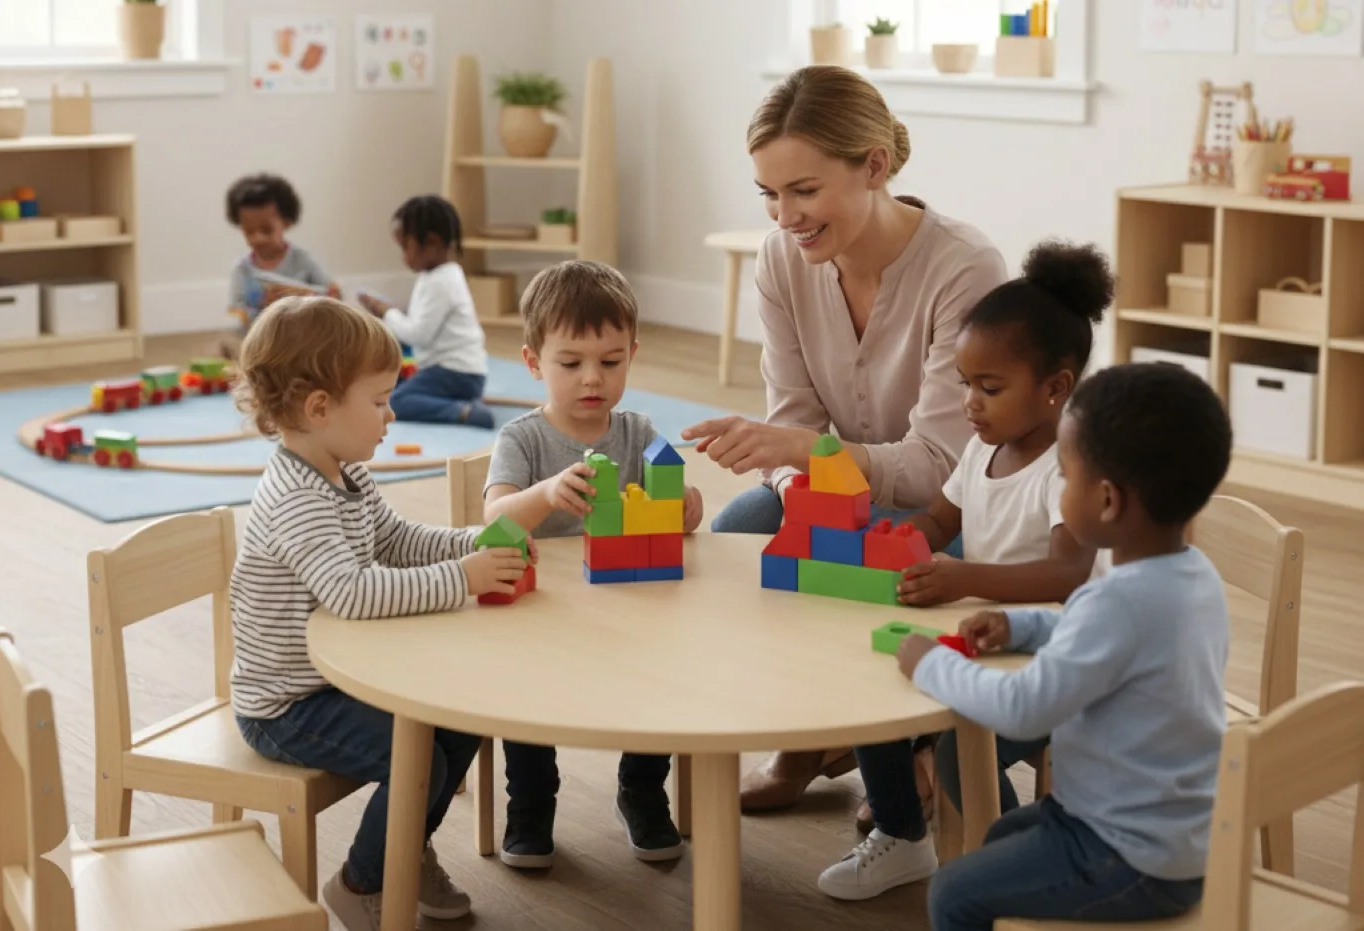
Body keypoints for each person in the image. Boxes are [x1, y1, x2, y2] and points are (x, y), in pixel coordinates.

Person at [680, 64, 1008, 815]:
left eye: (804, 190)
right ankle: (809, 731)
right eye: (768, 193)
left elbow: (939, 468)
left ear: (875, 166)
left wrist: (806, 458)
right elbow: (792, 415)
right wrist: (805, 491)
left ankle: (906, 746)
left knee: (885, 575)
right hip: (848, 495)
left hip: (954, 518)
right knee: (741, 541)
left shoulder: (965, 269)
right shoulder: (780, 261)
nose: (784, 216)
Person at [816, 238, 1110, 900]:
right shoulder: (983, 451)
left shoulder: (1069, 467)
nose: (970, 403)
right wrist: (901, 540)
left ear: (1056, 388)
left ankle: (1001, 866)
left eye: (990, 387)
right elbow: (938, 524)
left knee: (957, 745)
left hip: (1055, 661)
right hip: (981, 639)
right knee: (872, 700)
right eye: (965, 384)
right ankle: (902, 836)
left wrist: (964, 577)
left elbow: (1069, 571)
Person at [229, 295, 534, 931]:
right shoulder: (294, 497)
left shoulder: (346, 474)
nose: (391, 415)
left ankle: (402, 850)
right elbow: (352, 591)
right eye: (378, 402)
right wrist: (464, 578)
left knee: (458, 722)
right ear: (319, 408)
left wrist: (471, 545)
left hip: (333, 680)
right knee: (417, 758)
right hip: (287, 704)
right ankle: (363, 882)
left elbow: (395, 542)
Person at [900, 362, 1232, 930]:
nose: (1061, 488)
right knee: (1002, 834)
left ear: (1105, 501)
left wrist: (931, 665)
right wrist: (1023, 629)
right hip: (1179, 833)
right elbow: (1109, 643)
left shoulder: (1118, 604)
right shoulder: (1192, 575)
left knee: (954, 892)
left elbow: (1021, 706)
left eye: (1065, 476)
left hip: (1125, 854)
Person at [481, 260, 704, 869]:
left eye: (610, 362)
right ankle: (529, 803)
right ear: (533, 363)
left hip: (628, 606)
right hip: (543, 617)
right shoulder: (522, 440)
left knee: (660, 676)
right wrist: (548, 493)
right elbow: (495, 520)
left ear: (632, 355)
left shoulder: (640, 432)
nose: (592, 380)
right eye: (571, 363)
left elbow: (683, 507)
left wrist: (684, 505)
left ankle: (642, 790)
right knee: (524, 696)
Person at [357, 194, 495, 428]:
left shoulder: (440, 282)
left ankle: (464, 411)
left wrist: (387, 313)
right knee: (387, 385)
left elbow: (419, 334)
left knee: (396, 401)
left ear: (431, 242)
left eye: (405, 247)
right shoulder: (437, 276)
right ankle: (460, 401)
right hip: (457, 373)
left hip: (455, 374)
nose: (403, 257)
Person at [224, 172, 339, 353]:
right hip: (259, 338)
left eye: (267, 230)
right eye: (249, 232)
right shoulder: (242, 268)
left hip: (302, 335)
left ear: (287, 222)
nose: (258, 238)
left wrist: (299, 294)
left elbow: (334, 296)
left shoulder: (304, 260)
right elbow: (235, 308)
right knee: (227, 345)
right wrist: (259, 306)